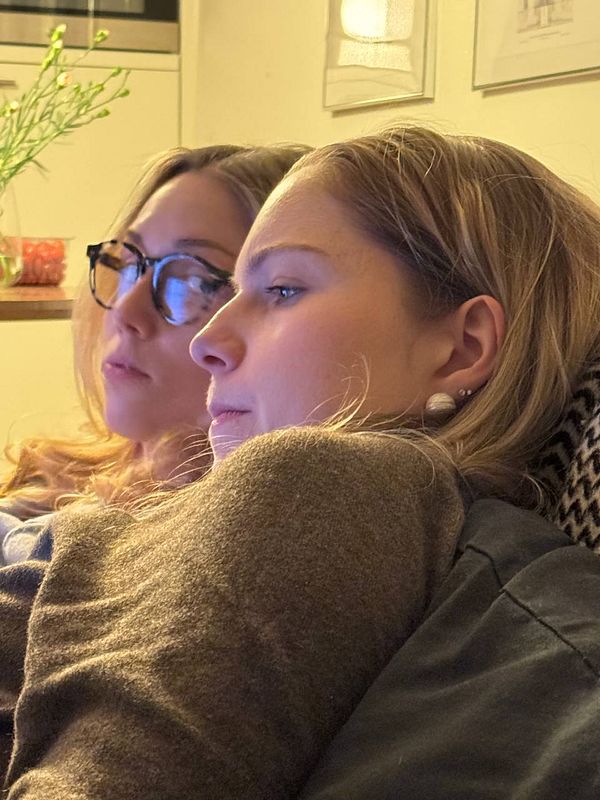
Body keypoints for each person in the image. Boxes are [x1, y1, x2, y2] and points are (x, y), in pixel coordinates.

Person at [1, 124, 600, 799]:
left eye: (283, 289)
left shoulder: (323, 485)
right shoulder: (423, 525)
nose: (207, 340)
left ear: (462, 346)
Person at [0, 143, 309, 563]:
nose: (125, 310)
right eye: (131, 265)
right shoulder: (54, 480)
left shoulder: (228, 550)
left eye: (192, 283)